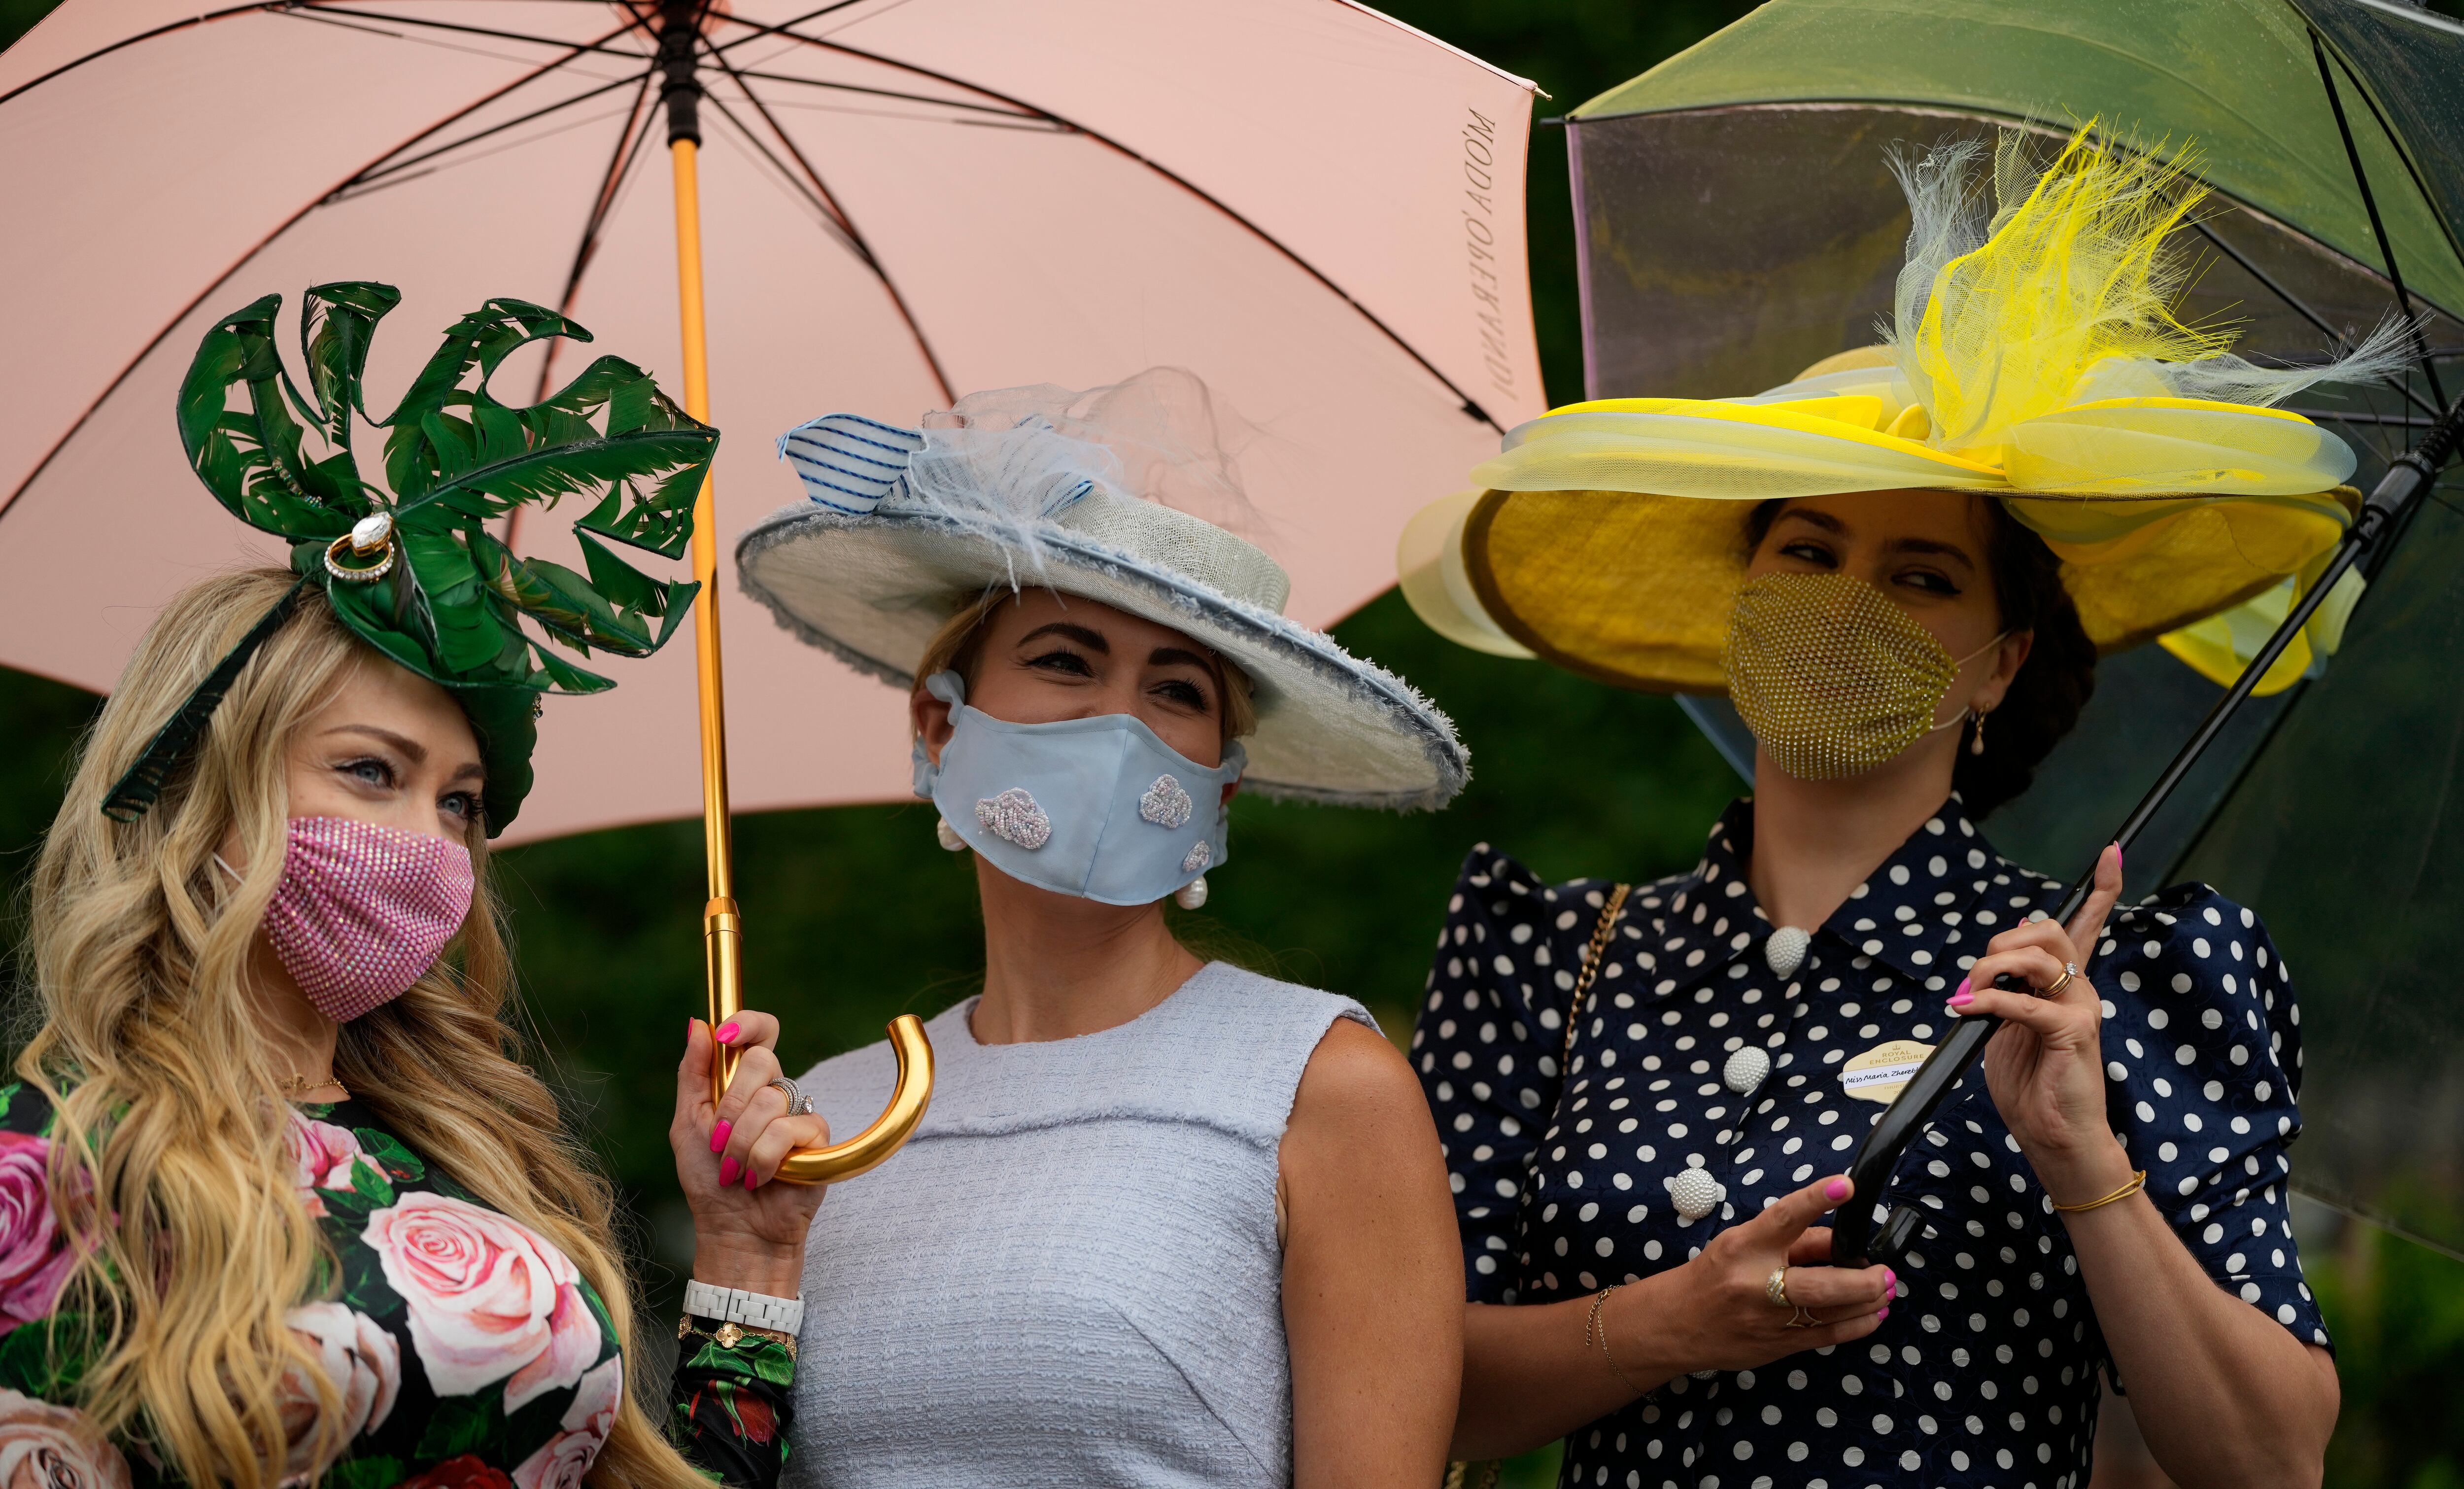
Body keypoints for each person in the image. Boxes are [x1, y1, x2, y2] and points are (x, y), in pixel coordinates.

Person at [1394, 130, 2389, 1488]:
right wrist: (1667, 1325)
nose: (1845, 602)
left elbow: (2271, 1458)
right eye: (1809, 550)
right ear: (1743, 598)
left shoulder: (2104, 978)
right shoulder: (1548, 954)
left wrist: (2084, 1158)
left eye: (1921, 575)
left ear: (2002, 660)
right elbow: (1401, 1387)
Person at [3, 285, 792, 1489]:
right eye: (372, 771)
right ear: (200, 789)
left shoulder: (474, 1144)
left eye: (460, 801)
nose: (428, 843)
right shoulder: (45, 1169)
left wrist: (748, 1257)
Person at [674, 369, 1470, 1489]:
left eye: (1177, 690)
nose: (1117, 723)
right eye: (1064, 660)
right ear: (940, 723)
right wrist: (738, 1252)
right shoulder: (819, 1121)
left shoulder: (1319, 1086)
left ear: (1224, 787)